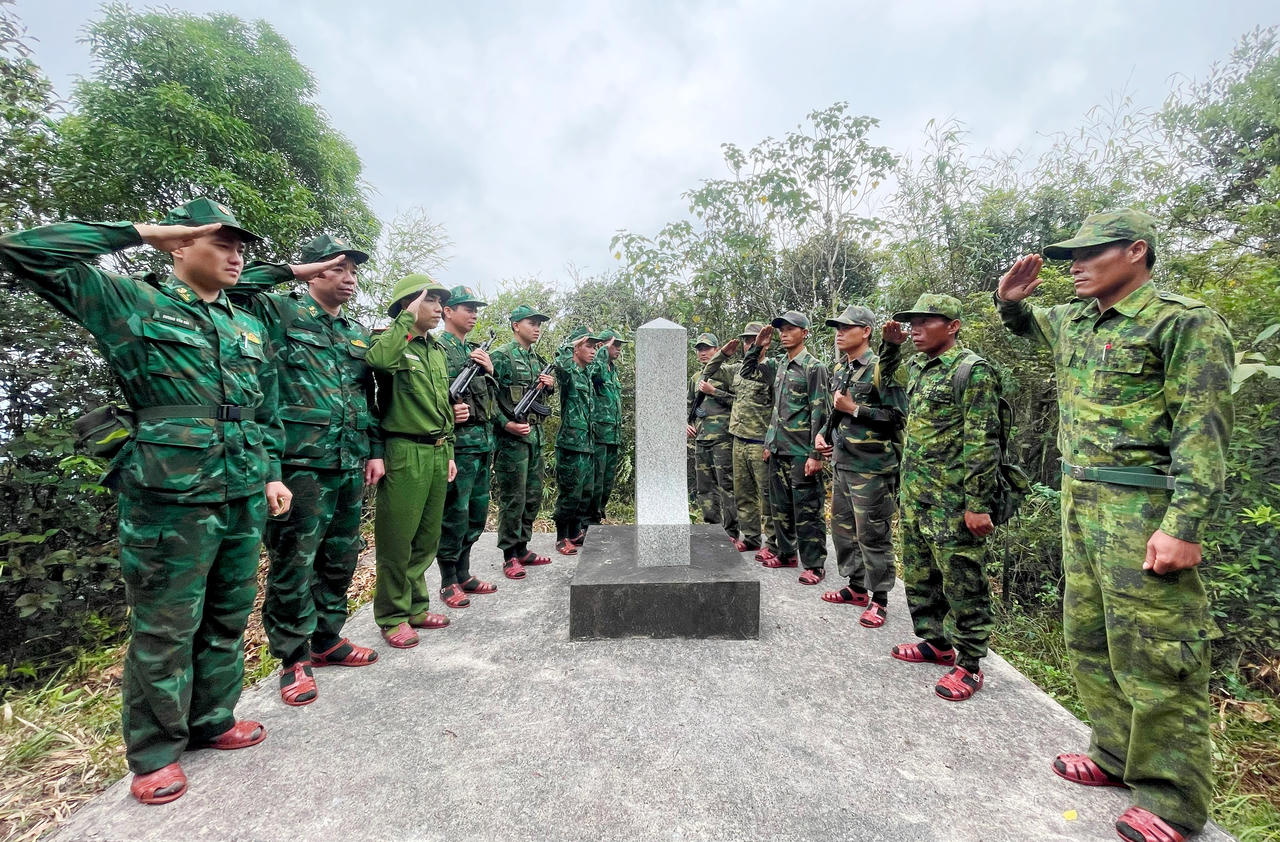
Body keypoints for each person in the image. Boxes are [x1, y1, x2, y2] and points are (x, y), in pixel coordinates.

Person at [0, 198, 291, 804]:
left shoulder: (247, 324)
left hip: (241, 490)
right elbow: (24, 250)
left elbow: (262, 411)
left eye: (243, 247)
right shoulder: (133, 303)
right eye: (223, 242)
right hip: (169, 493)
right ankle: (156, 752)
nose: (238, 255)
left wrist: (271, 473)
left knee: (227, 614)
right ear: (181, 245)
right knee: (165, 625)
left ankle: (213, 720)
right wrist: (140, 231)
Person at [996, 209, 1234, 842]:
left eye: (1090, 253)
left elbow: (1203, 430)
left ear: (1136, 251)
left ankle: (1173, 797)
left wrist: (1183, 524)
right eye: (1069, 255)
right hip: (1081, 499)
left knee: (1156, 651)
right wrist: (1010, 304)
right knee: (1091, 637)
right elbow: (1030, 326)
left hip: (1145, 508)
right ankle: (1113, 754)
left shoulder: (1182, 322)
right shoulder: (1077, 320)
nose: (1074, 265)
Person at [231, 234, 383, 707]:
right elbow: (232, 290)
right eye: (338, 268)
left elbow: (367, 398)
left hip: (348, 460)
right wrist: (293, 270)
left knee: (340, 556)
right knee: (295, 561)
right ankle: (293, 657)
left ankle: (327, 640)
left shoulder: (357, 333)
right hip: (298, 464)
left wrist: (374, 450)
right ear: (314, 270)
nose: (350, 277)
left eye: (354, 270)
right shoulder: (278, 313)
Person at [889, 293, 1002, 702]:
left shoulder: (973, 372)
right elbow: (890, 396)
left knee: (962, 580)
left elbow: (983, 442)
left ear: (953, 325)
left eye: (925, 321)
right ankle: (935, 642)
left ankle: (969, 663)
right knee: (920, 575)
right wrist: (890, 350)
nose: (914, 329)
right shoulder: (919, 367)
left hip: (953, 502)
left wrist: (977, 503)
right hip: (917, 494)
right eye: (911, 322)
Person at [365, 275, 466, 650]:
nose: (440, 308)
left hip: (439, 450)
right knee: (397, 539)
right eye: (432, 300)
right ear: (409, 304)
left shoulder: (436, 350)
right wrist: (404, 321)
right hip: (404, 450)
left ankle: (416, 607)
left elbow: (445, 405)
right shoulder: (390, 340)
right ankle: (392, 615)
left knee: (426, 538)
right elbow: (377, 361)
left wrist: (450, 449)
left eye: (442, 300)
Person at [815, 305, 907, 628]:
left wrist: (856, 410)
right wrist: (823, 435)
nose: (839, 332)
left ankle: (879, 600)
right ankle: (856, 587)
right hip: (843, 462)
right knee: (843, 530)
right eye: (836, 327)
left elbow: (898, 417)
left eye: (846, 326)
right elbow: (836, 411)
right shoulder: (843, 368)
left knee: (873, 533)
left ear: (866, 331)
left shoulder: (884, 368)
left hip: (872, 466)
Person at [743, 313, 830, 584]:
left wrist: (816, 454)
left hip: (801, 450)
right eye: (781, 329)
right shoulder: (778, 364)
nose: (784, 333)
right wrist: (759, 346)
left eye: (791, 329)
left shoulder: (813, 367)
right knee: (779, 506)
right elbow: (748, 372)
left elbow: (821, 411)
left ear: (805, 333)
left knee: (807, 510)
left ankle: (815, 565)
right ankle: (786, 552)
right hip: (778, 449)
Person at [435, 285, 500, 609]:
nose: (474, 314)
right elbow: (427, 397)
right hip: (455, 446)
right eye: (467, 308)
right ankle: (448, 580)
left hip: (481, 443)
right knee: (454, 514)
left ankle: (464, 573)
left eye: (476, 308)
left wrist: (489, 370)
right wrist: (448, 413)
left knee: (476, 513)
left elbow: (495, 400)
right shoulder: (437, 349)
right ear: (447, 311)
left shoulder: (477, 352)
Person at [491, 305, 556, 578]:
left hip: (535, 437)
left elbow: (541, 401)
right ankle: (509, 555)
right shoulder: (501, 356)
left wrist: (550, 386)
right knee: (513, 498)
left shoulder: (537, 359)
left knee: (531, 496)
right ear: (516, 325)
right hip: (512, 441)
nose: (537, 327)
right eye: (531, 322)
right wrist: (505, 424)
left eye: (539, 323)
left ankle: (523, 547)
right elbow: (485, 396)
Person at [701, 323, 777, 557]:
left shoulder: (771, 369)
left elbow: (777, 408)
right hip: (737, 439)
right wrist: (722, 353)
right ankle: (751, 537)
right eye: (746, 341)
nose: (748, 345)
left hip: (759, 440)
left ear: (765, 342)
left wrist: (771, 441)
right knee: (742, 493)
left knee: (766, 495)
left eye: (753, 340)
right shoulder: (736, 369)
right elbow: (709, 371)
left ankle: (772, 543)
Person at [552, 327, 600, 555]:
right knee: (570, 493)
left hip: (587, 443)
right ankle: (562, 536)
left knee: (584, 493)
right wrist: (569, 344)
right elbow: (560, 362)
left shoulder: (586, 375)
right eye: (589, 346)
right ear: (577, 348)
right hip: (571, 443)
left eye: (595, 347)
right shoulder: (569, 373)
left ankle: (574, 532)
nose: (593, 351)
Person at [687, 332, 737, 539]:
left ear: (717, 350)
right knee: (705, 487)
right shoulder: (695, 378)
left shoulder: (728, 373)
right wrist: (686, 423)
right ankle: (711, 528)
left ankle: (731, 531)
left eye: (707, 348)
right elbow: (689, 405)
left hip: (723, 438)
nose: (703, 352)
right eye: (699, 349)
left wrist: (714, 391)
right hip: (702, 439)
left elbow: (741, 403)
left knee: (727, 485)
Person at [587, 328, 626, 524]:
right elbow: (595, 376)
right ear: (602, 346)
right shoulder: (596, 365)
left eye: (619, 345)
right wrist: (602, 351)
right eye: (615, 345)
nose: (618, 349)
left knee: (607, 480)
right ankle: (589, 521)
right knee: (596, 479)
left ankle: (598, 514)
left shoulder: (614, 370)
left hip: (613, 434)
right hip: (599, 434)